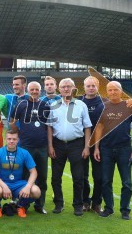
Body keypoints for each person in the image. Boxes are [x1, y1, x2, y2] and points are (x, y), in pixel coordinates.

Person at [94, 81, 132, 220]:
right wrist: (96, 147)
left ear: (121, 91)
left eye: (115, 89)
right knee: (106, 181)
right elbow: (99, 128)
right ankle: (109, 208)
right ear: (106, 92)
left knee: (126, 182)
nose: (113, 92)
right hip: (106, 149)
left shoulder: (130, 106)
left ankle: (125, 210)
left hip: (124, 149)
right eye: (110, 90)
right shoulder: (102, 107)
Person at [47, 78, 92, 216]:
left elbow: (87, 127)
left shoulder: (81, 105)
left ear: (73, 88)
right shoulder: (54, 105)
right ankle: (59, 203)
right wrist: (50, 146)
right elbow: (49, 127)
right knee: (56, 177)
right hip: (58, 144)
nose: (66, 89)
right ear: (59, 89)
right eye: (63, 87)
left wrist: (86, 147)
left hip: (77, 144)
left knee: (78, 177)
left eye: (68, 86)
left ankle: (78, 205)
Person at [10, 81, 50, 214]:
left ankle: (40, 204)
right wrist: (20, 134)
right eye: (32, 89)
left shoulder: (45, 105)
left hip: (42, 147)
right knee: (25, 175)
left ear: (40, 90)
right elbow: (12, 122)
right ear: (27, 90)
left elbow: (49, 126)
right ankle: (24, 204)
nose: (34, 91)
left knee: (42, 176)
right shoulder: (21, 104)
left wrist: (50, 145)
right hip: (26, 146)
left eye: (36, 89)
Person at [0, 129, 41, 218]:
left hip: (18, 184)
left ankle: (21, 206)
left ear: (18, 140)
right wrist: (4, 186)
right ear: (5, 139)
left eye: (14, 139)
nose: (11, 141)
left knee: (36, 191)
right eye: (9, 139)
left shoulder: (24, 153)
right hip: (2, 183)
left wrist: (28, 187)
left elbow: (34, 172)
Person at [78, 76, 106, 213]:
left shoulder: (104, 103)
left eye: (93, 86)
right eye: (88, 86)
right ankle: (85, 202)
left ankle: (96, 203)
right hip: (81, 144)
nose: (90, 88)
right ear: (84, 86)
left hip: (99, 145)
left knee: (98, 176)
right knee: (83, 175)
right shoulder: (78, 102)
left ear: (98, 86)